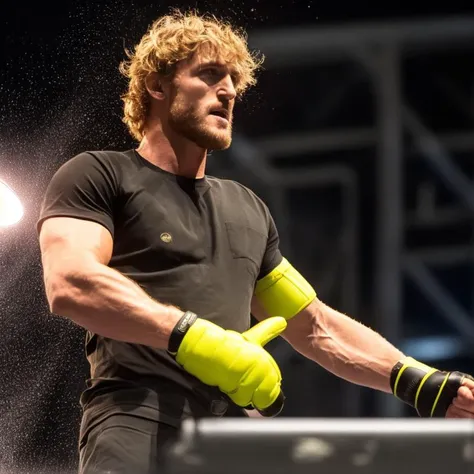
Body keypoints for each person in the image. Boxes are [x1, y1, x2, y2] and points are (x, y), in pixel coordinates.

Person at [37, 10, 474, 474]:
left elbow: (313, 324)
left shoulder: (246, 208)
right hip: (134, 421)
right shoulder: (99, 174)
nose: (227, 91)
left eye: (233, 82)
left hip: (228, 440)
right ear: (157, 86)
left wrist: (417, 381)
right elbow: (71, 281)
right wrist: (194, 338)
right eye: (208, 75)